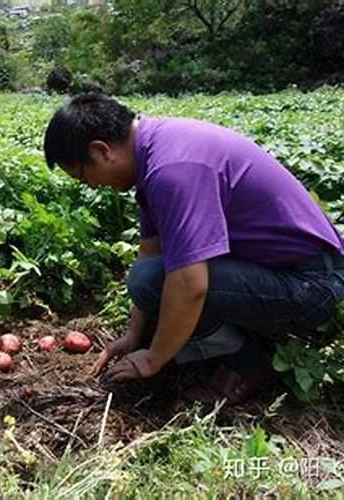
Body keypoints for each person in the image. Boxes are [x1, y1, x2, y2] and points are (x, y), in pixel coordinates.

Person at [43, 93, 344, 404]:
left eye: (82, 176)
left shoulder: (172, 170)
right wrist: (135, 335)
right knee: (149, 279)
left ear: (101, 151)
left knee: (162, 284)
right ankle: (242, 330)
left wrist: (153, 358)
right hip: (281, 269)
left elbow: (190, 284)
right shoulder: (153, 153)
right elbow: (152, 254)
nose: (90, 185)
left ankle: (246, 361)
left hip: (311, 283)